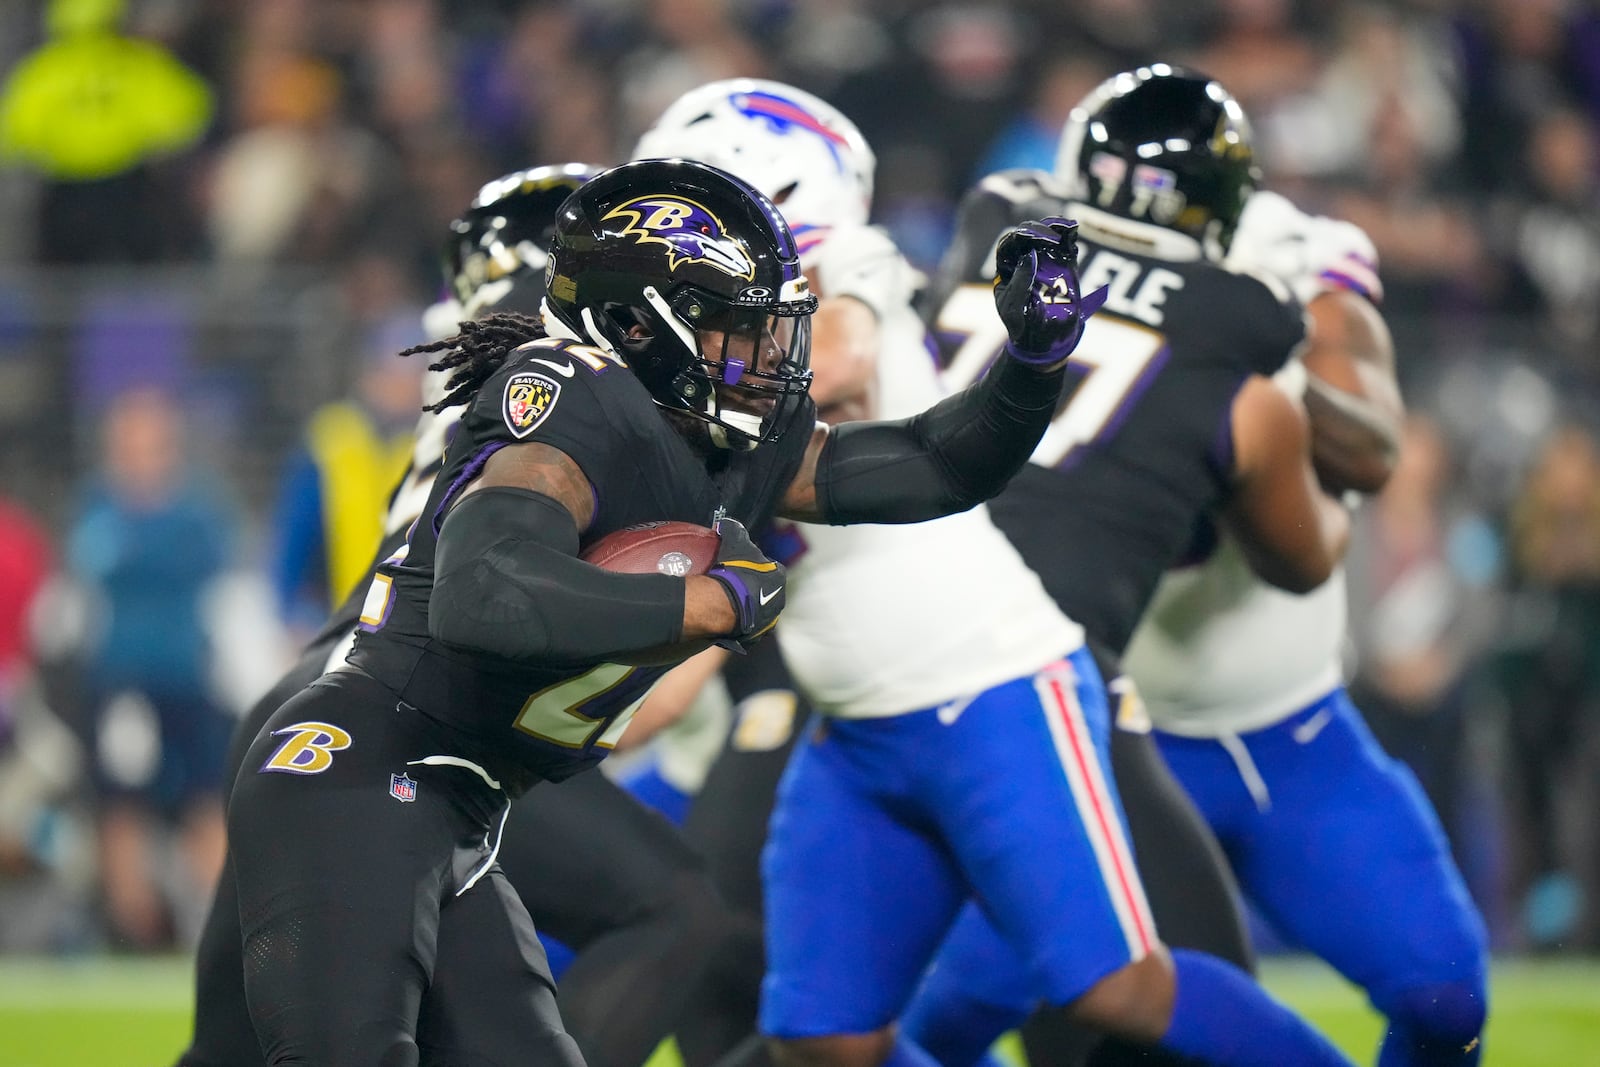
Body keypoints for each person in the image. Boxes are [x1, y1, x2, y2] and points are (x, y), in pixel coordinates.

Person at [225, 155, 1099, 1066]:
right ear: (634, 326)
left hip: (462, 804)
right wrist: (704, 601)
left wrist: (1031, 366)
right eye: (733, 327)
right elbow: (482, 594)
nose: (767, 354)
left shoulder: (719, 432)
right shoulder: (569, 395)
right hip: (362, 776)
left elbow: (933, 462)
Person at [637, 77, 1355, 1067]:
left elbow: (835, 363)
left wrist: (668, 386)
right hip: (853, 723)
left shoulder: (846, 267)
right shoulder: (680, 357)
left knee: (1116, 986)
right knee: (823, 1043)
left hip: (992, 686)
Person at [178, 163, 743, 1067]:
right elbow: (515, 609)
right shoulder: (578, 377)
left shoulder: (490, 361)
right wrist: (703, 614)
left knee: (231, 1049)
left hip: (317, 698)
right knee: (669, 907)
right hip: (407, 714)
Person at [895, 65, 1361, 1067]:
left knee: (834, 1011)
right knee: (1173, 977)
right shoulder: (1240, 319)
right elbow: (1304, 556)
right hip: (1033, 670)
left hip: (889, 645)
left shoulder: (993, 224)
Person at [66, 385, 238, 951]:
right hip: (120, 681)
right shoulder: (99, 504)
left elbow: (215, 576)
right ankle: (131, 932)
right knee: (122, 808)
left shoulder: (194, 511)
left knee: (203, 800)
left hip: (187, 678)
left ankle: (213, 933)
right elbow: (83, 575)